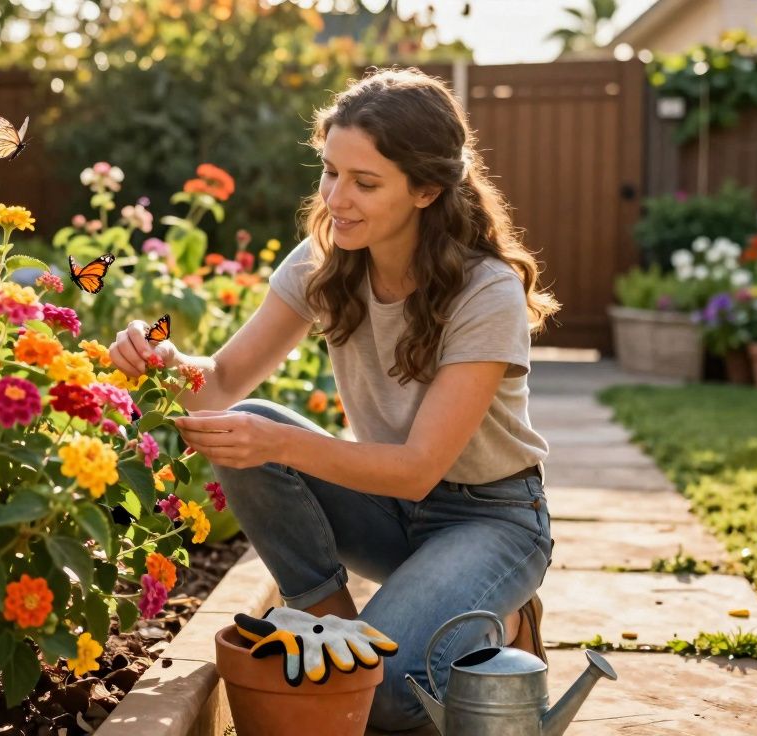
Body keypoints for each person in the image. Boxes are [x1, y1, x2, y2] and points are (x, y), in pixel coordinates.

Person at [108, 67, 560, 731]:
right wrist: (162, 362)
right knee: (246, 425)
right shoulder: (324, 258)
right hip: (390, 514)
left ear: (427, 189)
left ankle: (502, 614)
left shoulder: (483, 291)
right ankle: (337, 634)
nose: (337, 198)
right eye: (330, 172)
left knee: (387, 696)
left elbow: (417, 468)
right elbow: (224, 381)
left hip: (490, 520)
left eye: (365, 182)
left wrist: (285, 443)